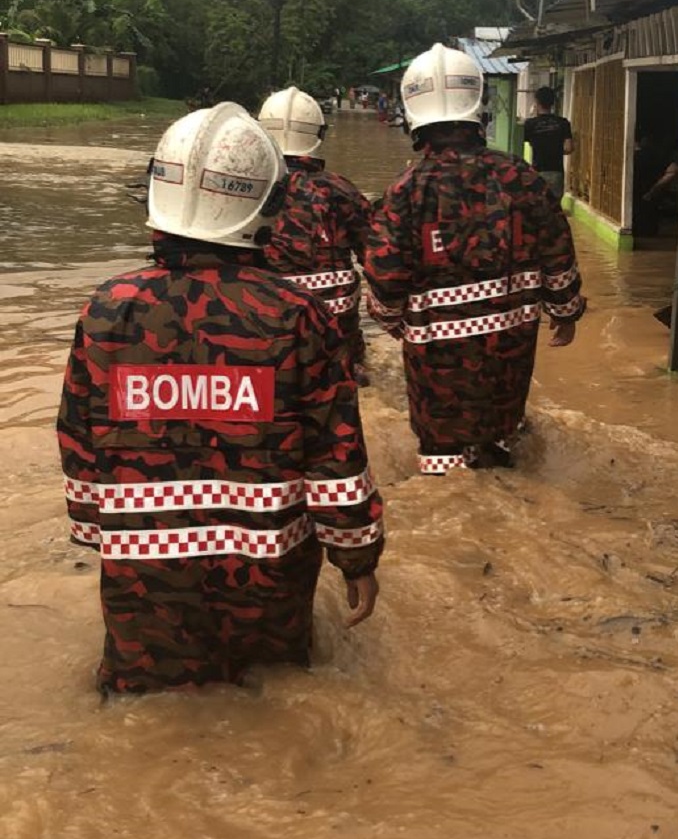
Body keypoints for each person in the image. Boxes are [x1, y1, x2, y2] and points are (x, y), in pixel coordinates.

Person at [58, 102, 382, 695]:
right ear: (265, 207)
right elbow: (335, 458)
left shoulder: (107, 309)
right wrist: (357, 556)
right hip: (270, 580)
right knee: (278, 701)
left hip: (143, 585)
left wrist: (93, 531)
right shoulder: (296, 316)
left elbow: (79, 444)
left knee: (141, 706)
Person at [365, 43, 584, 474]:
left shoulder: (406, 190)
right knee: (505, 441)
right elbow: (558, 252)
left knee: (441, 456)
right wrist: (566, 312)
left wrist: (390, 319)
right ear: (476, 108)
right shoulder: (520, 176)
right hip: (511, 345)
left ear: (414, 115)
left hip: (435, 358)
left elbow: (385, 276)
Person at [258, 87, 372, 384]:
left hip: (266, 329)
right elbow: (376, 259)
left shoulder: (249, 191)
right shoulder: (341, 190)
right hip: (337, 332)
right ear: (319, 135)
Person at [523, 85, 573, 200]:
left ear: (537, 102)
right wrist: (555, 149)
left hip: (537, 172)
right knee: (554, 206)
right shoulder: (563, 123)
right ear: (553, 103)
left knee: (538, 206)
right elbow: (569, 148)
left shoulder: (530, 124)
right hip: (556, 172)